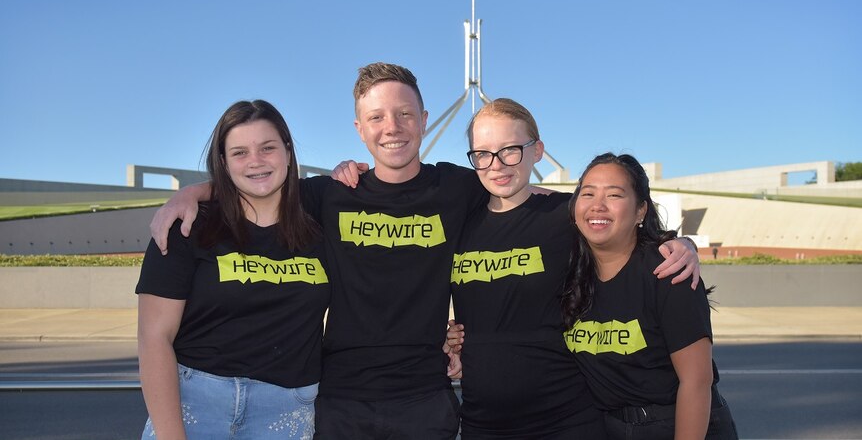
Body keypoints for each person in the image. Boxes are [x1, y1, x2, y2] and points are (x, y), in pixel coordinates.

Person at [150, 63, 699, 439]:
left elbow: (593, 212)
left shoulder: (460, 187)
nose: (393, 128)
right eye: (378, 118)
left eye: (405, 114)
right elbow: (258, 182)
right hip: (339, 401)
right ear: (360, 130)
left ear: (424, 118)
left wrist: (680, 244)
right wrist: (191, 192)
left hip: (428, 401)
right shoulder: (328, 193)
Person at [448, 99, 706, 439]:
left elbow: (620, 225)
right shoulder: (457, 220)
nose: (496, 164)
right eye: (482, 153)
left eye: (510, 149)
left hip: (564, 417)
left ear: (537, 150)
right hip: (483, 419)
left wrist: (686, 245)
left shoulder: (566, 215)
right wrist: (445, 338)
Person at [136, 100, 329, 440]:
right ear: (223, 163)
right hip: (194, 401)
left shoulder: (322, 224)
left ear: (287, 151)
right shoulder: (188, 227)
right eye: (240, 152)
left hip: (286, 408)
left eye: (267, 148)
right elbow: (154, 338)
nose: (255, 161)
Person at [562, 153, 738, 439]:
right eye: (588, 193)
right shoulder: (571, 274)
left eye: (615, 195)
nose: (598, 205)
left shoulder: (668, 271)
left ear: (640, 211)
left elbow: (696, 382)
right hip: (611, 427)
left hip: (678, 425)